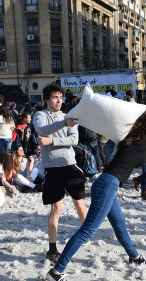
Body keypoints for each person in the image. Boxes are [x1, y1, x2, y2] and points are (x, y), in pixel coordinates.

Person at [47, 108, 146, 281]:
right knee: (87, 231)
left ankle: (134, 257)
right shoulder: (144, 141)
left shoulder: (128, 138)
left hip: (106, 184)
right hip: (107, 185)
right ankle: (58, 270)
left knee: (119, 225)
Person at [33, 83, 88, 263]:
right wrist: (62, 124)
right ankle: (52, 249)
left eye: (60, 97)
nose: (58, 100)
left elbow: (74, 139)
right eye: (55, 97)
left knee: (80, 204)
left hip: (70, 165)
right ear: (47, 99)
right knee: (56, 209)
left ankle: (87, 233)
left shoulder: (69, 116)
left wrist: (52, 142)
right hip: (52, 168)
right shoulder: (40, 115)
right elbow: (42, 131)